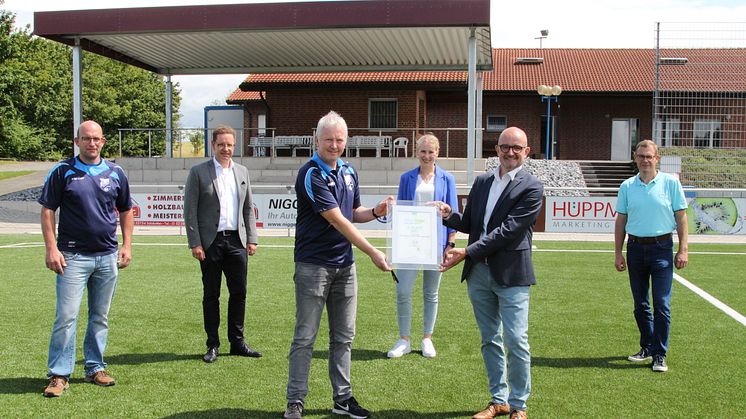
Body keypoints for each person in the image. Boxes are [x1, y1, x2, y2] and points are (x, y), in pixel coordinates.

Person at [283, 111, 393, 419]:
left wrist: (375, 210)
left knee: (344, 337)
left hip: (345, 266)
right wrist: (373, 252)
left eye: (339, 139)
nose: (334, 145)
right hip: (313, 266)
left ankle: (342, 399)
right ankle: (295, 400)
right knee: (305, 336)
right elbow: (337, 220)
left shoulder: (348, 170)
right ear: (316, 140)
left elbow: (353, 212)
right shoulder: (311, 173)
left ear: (346, 141)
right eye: (328, 139)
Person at [437, 127, 543, 419]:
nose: (510, 152)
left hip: (511, 275)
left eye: (516, 148)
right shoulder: (482, 181)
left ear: (527, 151)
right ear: (496, 149)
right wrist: (449, 215)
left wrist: (467, 252)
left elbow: (508, 232)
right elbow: (473, 224)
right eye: (505, 146)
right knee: (489, 339)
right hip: (479, 275)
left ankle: (519, 404)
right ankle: (499, 400)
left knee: (516, 340)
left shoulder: (532, 187)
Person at [39, 120, 133, 397]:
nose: (92, 143)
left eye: (96, 139)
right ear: (77, 141)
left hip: (107, 257)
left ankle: (95, 367)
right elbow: (47, 211)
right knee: (66, 316)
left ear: (103, 142)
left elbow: (127, 209)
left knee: (100, 316)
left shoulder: (116, 172)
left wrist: (127, 245)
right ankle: (59, 374)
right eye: (86, 138)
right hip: (72, 257)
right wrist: (51, 248)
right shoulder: (63, 171)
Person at [184, 125, 261, 363]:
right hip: (210, 243)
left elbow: (248, 207)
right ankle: (213, 344)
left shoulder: (242, 172)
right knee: (211, 295)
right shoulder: (198, 172)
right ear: (213, 145)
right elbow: (190, 210)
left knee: (239, 293)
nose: (226, 149)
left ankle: (237, 342)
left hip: (237, 241)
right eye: (221, 145)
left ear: (234, 146)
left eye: (229, 145)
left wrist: (252, 238)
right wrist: (195, 243)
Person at [614, 139, 688, 373]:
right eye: (641, 156)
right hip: (635, 249)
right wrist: (618, 252)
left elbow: (682, 217)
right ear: (635, 158)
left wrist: (683, 249)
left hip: (662, 249)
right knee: (640, 304)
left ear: (657, 159)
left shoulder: (670, 183)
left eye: (649, 156)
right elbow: (621, 221)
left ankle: (659, 354)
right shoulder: (627, 186)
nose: (645, 160)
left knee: (662, 304)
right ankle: (646, 346)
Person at [387, 133, 458, 359]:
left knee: (431, 292)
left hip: (435, 244)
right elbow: (401, 212)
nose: (427, 156)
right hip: (409, 242)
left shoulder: (448, 179)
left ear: (437, 153)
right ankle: (404, 339)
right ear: (416, 152)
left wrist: (451, 243)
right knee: (403, 291)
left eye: (431, 151)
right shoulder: (407, 178)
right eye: (423, 151)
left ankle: (427, 338)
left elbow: (454, 215)